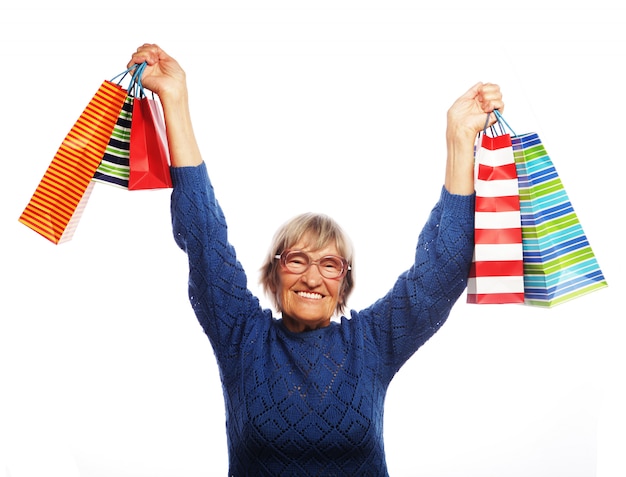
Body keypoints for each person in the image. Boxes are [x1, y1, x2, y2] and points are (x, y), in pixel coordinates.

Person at [128, 43, 504, 476]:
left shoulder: (372, 343)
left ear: (344, 283)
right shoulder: (241, 336)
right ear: (273, 273)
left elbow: (443, 268)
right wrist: (175, 101)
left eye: (330, 265)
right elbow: (205, 236)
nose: (312, 276)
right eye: (297, 260)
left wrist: (459, 139)